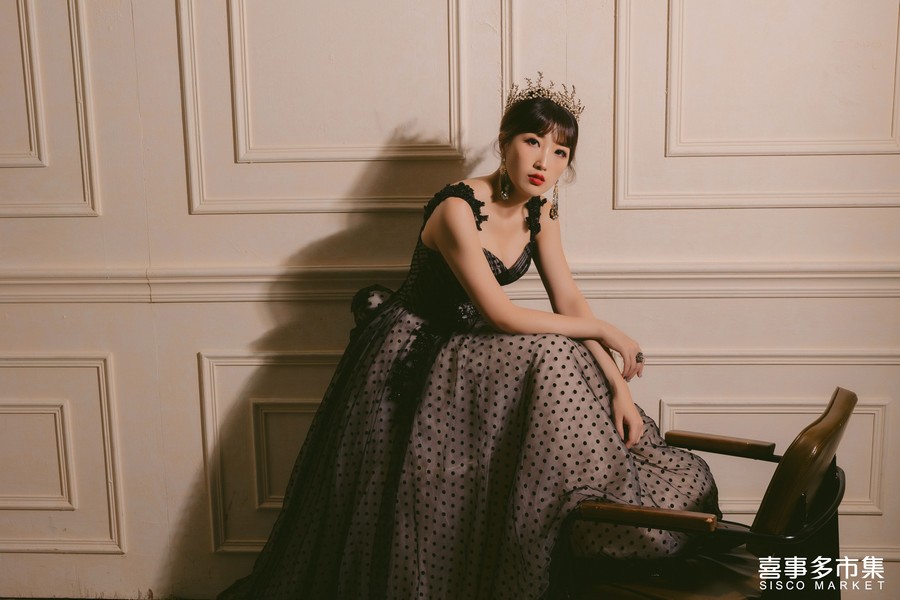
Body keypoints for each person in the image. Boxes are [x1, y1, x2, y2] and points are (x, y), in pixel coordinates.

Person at [217, 74, 720, 600]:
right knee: (550, 351)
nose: (544, 161)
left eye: (561, 152)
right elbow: (502, 314)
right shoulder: (456, 209)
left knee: (560, 351)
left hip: (473, 348)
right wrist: (605, 330)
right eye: (532, 142)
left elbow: (568, 300)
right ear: (504, 142)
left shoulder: (541, 208)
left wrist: (618, 385)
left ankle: (606, 505)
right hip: (419, 346)